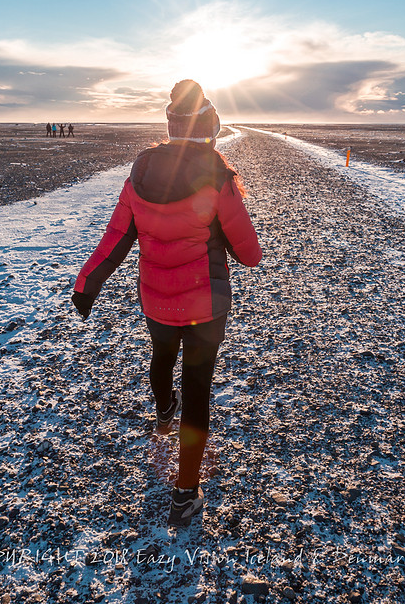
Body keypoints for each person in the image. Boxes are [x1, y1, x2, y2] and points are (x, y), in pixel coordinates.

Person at [71, 80, 261, 526]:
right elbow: (251, 255)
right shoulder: (218, 177)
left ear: (171, 127)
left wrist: (86, 285)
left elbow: (117, 237)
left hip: (156, 300)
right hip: (206, 306)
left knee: (161, 355)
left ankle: (162, 414)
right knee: (199, 391)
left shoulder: (139, 173)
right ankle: (185, 493)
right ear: (210, 129)